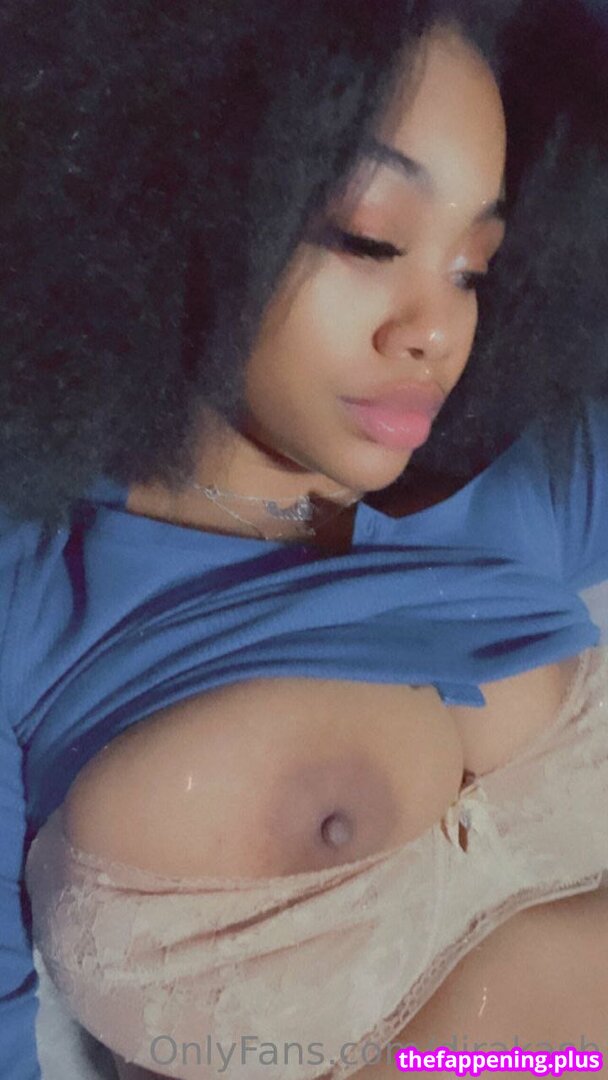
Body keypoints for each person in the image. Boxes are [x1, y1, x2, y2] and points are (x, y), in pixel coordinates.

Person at [1, 1, 608, 1077]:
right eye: (370, 239)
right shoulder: (32, 591)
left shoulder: (526, 480)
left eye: (472, 267)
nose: (435, 329)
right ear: (173, 192)